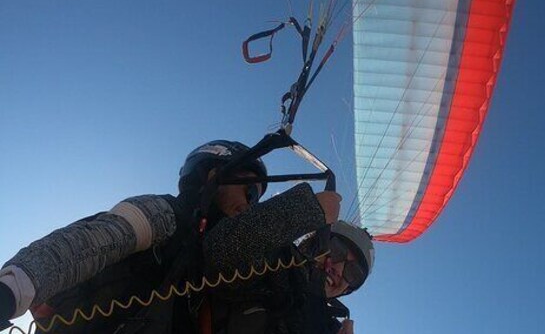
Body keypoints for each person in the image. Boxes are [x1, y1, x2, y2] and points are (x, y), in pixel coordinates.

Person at [0, 140, 342, 333]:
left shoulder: (250, 268)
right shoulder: (165, 215)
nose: (251, 201)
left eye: (257, 197)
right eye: (247, 190)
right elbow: (93, 242)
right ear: (211, 176)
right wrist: (13, 289)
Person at [200, 218, 375, 334]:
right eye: (337, 250)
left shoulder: (330, 328)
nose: (337, 268)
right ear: (313, 245)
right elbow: (221, 252)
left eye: (353, 273)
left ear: (348, 289)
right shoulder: (272, 264)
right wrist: (305, 210)